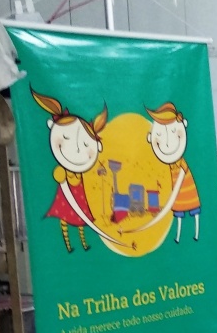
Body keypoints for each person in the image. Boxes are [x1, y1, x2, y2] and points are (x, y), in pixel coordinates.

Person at [31, 89, 123, 252]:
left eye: (86, 145)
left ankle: (83, 243)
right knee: (65, 219)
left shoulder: (85, 171)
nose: (78, 150)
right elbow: (58, 175)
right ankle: (68, 245)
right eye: (66, 138)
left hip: (80, 194)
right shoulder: (64, 171)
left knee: (81, 219)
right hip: (67, 195)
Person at [131, 102, 201, 243]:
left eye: (174, 132)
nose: (168, 144)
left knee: (194, 214)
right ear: (150, 138)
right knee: (179, 216)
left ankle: (196, 233)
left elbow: (179, 179)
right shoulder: (168, 166)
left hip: (187, 193)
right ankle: (178, 236)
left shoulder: (181, 164)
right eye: (159, 135)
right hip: (177, 196)